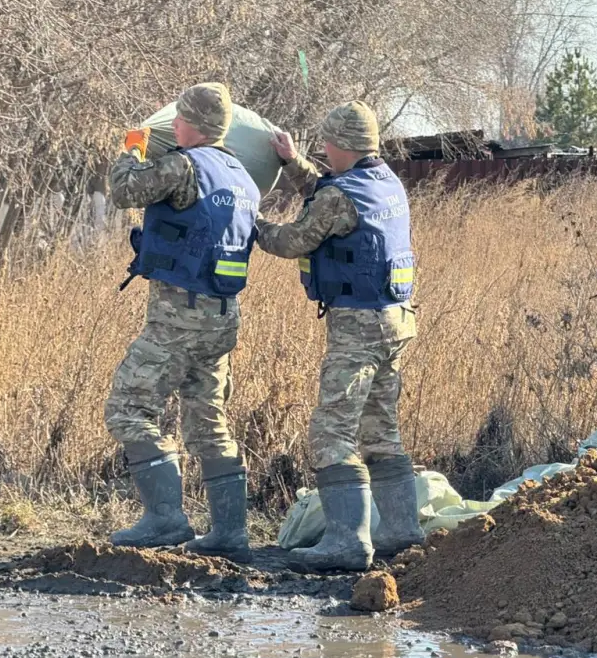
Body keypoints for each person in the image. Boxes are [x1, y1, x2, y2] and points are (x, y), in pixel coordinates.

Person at [255, 100, 421, 572]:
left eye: (327, 142)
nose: (324, 149)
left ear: (341, 144)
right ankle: (401, 531)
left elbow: (293, 241)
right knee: (381, 429)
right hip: (395, 320)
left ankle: (346, 543)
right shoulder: (385, 182)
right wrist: (292, 163)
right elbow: (330, 195)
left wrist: (251, 222)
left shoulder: (339, 195)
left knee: (332, 432)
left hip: (357, 329)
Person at [104, 83, 259, 563]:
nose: (173, 125)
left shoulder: (184, 165)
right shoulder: (243, 175)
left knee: (128, 408)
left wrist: (132, 148)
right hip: (222, 318)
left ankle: (165, 519)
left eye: (178, 119)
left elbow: (124, 190)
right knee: (208, 419)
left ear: (191, 124)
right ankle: (230, 533)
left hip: (178, 317)